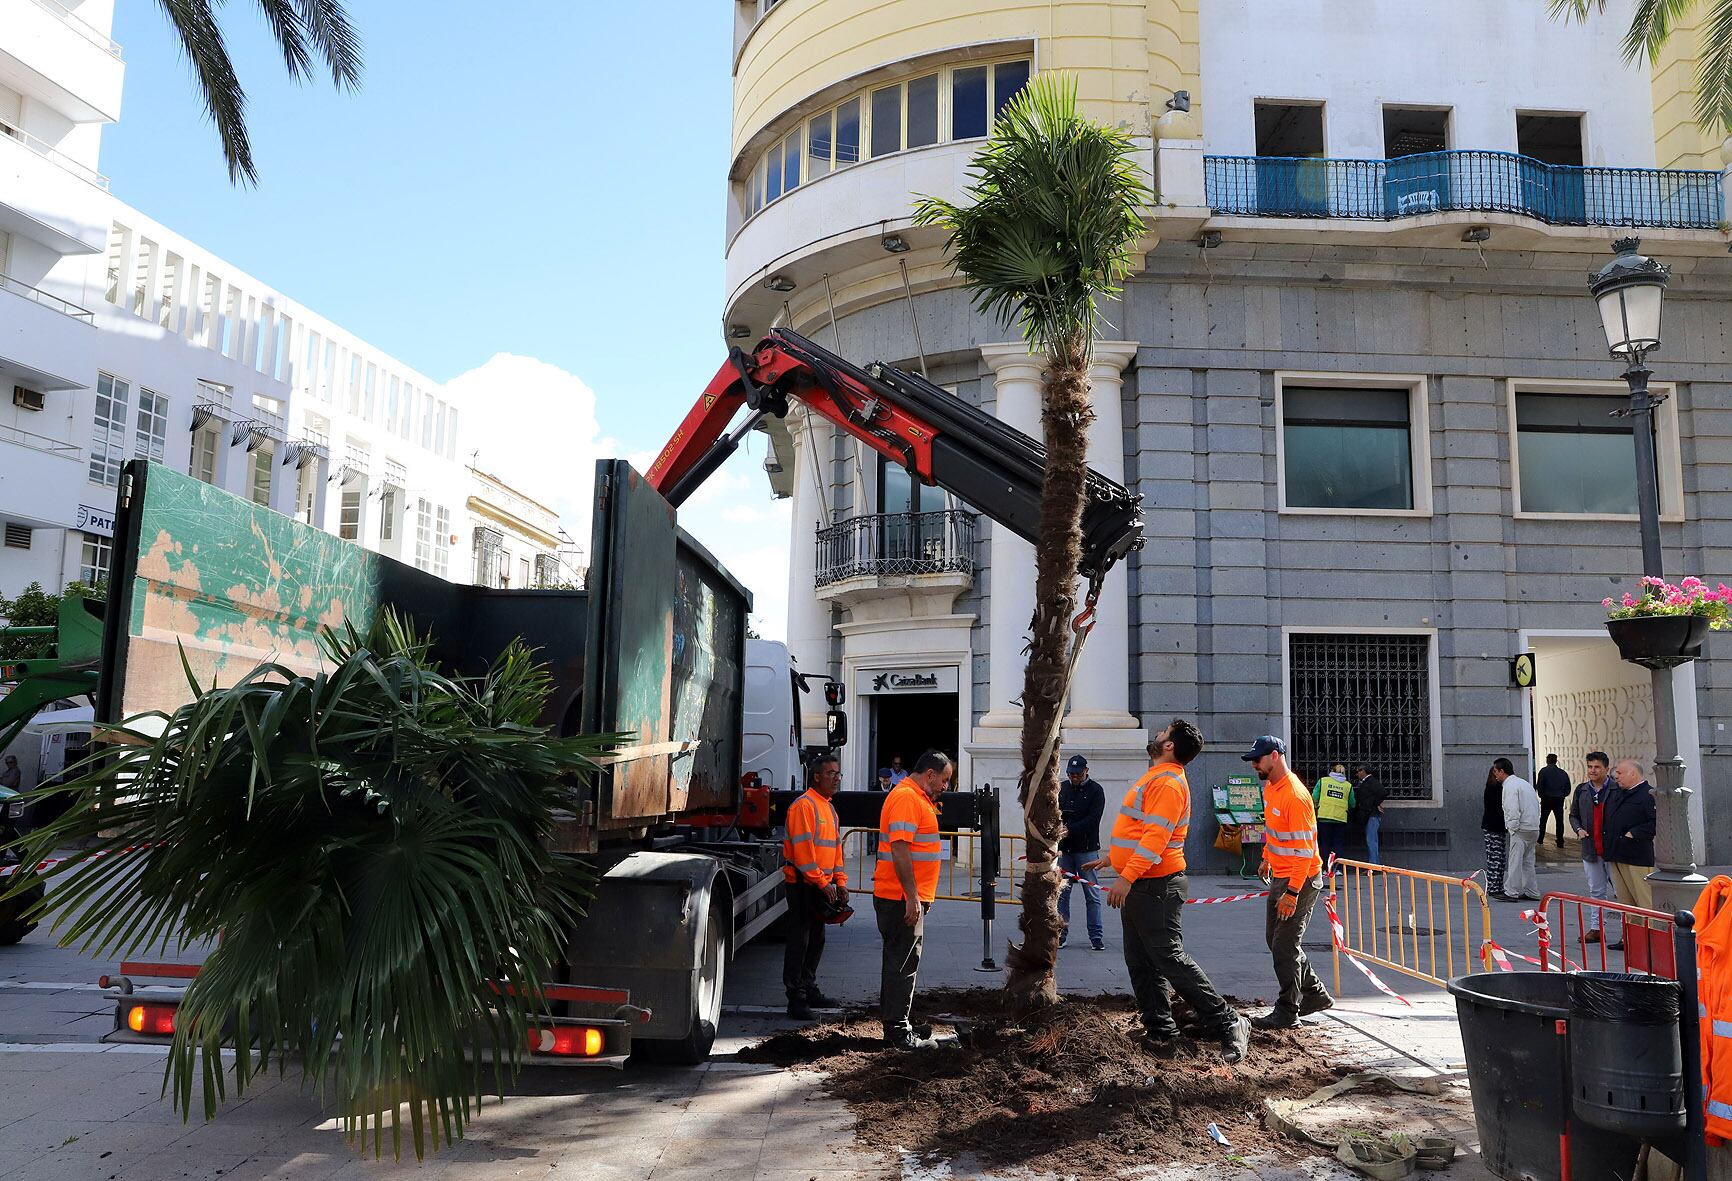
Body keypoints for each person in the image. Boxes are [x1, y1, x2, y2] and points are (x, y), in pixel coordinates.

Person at [1082, 720, 1249, 1062]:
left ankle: (1228, 1022)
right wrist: (1113, 858)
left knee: (1169, 958)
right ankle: (1160, 1029)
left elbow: (1156, 838)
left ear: (1170, 745)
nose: (1157, 735)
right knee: (1142, 962)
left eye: (1163, 733)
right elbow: (1143, 830)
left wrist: (1126, 876)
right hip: (1144, 884)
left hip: (1154, 886)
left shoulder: (1168, 783)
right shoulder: (1158, 777)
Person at [1245, 735, 1333, 1031]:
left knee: (1284, 945)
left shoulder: (1295, 795)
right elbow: (1274, 830)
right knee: (1276, 940)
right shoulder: (1271, 788)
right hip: (1282, 876)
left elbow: (1305, 851)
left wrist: (1293, 892)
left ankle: (1287, 1010)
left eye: (1257, 759)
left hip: (1301, 879)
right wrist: (1266, 858)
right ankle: (1315, 993)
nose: (1254, 765)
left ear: (1274, 756)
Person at [873, 749, 951, 1049]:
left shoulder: (913, 797)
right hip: (899, 898)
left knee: (899, 960)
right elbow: (900, 848)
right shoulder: (907, 798)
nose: (945, 787)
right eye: (944, 780)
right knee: (903, 963)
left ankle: (897, 1023)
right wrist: (912, 897)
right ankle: (897, 1031)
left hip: (899, 896)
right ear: (930, 774)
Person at [782, 752, 849, 1019]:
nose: (836, 778)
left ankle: (808, 989)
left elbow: (836, 851)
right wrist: (823, 882)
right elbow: (803, 854)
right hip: (802, 885)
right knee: (800, 941)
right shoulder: (804, 806)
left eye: (838, 773)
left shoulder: (828, 808)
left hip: (820, 886)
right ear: (817, 777)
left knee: (816, 939)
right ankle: (796, 998)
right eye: (831, 774)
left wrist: (840, 882)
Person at [1057, 754, 1106, 951]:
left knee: (1092, 894)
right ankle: (1061, 934)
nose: (1074, 777)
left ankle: (1096, 936)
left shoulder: (1096, 790)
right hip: (1065, 849)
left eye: (1077, 774)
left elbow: (1093, 819)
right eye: (1071, 774)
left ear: (1086, 771)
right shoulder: (1062, 788)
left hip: (1087, 849)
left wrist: (1069, 829)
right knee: (1062, 894)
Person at [1570, 752, 1618, 946]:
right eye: (1590, 767)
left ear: (1606, 769)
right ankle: (1597, 929)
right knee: (1596, 890)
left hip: (1613, 849)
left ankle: (1628, 931)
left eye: (1597, 767)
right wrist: (1578, 829)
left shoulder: (1616, 789)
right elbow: (1573, 815)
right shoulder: (1582, 790)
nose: (1592, 770)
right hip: (1591, 848)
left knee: (1622, 892)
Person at [1604, 758, 1657, 917]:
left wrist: (1633, 833)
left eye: (1620, 773)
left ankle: (1650, 931)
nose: (1616, 776)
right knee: (1626, 904)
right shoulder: (1618, 793)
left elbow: (1656, 823)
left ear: (1632, 774)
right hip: (1617, 854)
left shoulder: (1649, 794)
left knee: (1644, 902)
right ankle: (1631, 932)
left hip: (1636, 857)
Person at [1493, 758, 1541, 902]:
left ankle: (1511, 892)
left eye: (1496, 771)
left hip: (1521, 828)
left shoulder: (1510, 786)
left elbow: (1512, 809)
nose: (1495, 775)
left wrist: (1512, 828)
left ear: (1502, 771)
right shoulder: (1524, 783)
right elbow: (1535, 805)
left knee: (1515, 861)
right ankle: (1532, 891)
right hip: (1533, 827)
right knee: (1528, 862)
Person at [1311, 763, 1354, 869]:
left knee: (1325, 843)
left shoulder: (1323, 781)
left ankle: (1324, 868)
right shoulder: (1348, 786)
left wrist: (1317, 805)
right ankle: (1336, 869)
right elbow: (1352, 803)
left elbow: (1314, 796)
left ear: (1332, 771)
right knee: (1338, 844)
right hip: (1340, 819)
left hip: (1324, 817)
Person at [1351, 765, 1389, 865]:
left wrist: (1375, 803)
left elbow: (1383, 792)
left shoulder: (1371, 781)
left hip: (1371, 814)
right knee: (1371, 840)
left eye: (1358, 771)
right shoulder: (1367, 782)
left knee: (1371, 840)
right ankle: (1373, 864)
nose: (1357, 774)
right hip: (1370, 814)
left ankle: (1374, 865)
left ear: (1363, 771)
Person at [1536, 753, 1572, 850]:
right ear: (1556, 761)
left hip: (1546, 799)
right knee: (1559, 821)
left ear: (1547, 760)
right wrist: (1562, 795)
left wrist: (1542, 796)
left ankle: (1540, 838)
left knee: (1543, 820)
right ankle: (1560, 841)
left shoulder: (1543, 771)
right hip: (1559, 799)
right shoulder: (1562, 773)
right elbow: (1568, 788)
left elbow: (1539, 786)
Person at [1481, 768, 1508, 898]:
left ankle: (1496, 886)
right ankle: (1494, 887)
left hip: (1494, 827)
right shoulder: (1495, 788)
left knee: (1497, 858)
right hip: (1494, 827)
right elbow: (1499, 808)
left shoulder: (1492, 787)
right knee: (1496, 858)